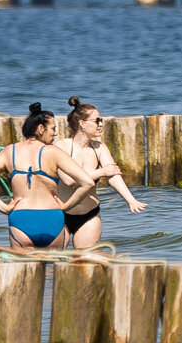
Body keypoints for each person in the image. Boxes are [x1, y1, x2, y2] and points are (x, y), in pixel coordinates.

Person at [0, 103, 99, 250]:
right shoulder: (52, 152)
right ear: (40, 129)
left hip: (21, 220)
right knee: (52, 270)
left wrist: (4, 208)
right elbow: (87, 183)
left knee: (23, 271)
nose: (55, 133)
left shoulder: (9, 151)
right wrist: (66, 206)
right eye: (53, 128)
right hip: (51, 218)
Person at [54, 97, 147, 248]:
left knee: (86, 262)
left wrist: (130, 200)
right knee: (54, 260)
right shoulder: (61, 146)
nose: (101, 124)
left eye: (101, 120)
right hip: (60, 214)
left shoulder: (100, 148)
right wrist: (101, 171)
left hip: (89, 214)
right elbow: (69, 180)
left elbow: (113, 175)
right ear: (82, 124)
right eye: (97, 120)